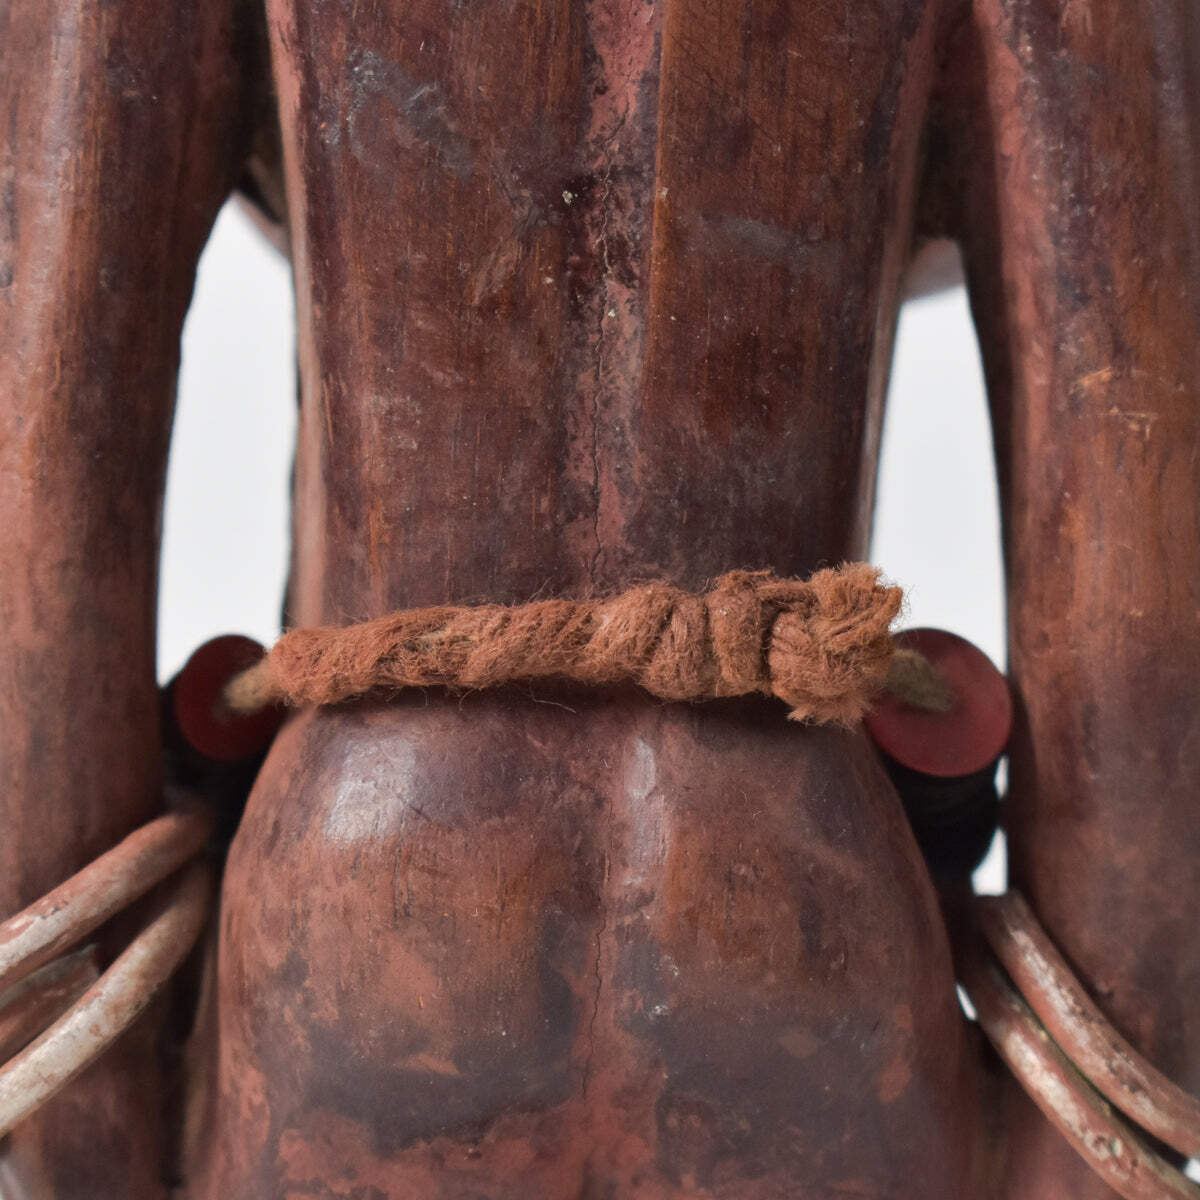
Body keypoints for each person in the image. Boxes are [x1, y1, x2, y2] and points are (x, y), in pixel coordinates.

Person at [2, 0, 1197, 1195]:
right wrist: (1092, 1153)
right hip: (797, 904)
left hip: (359, 910)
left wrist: (77, 1134)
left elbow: (44, 461)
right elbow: (1136, 510)